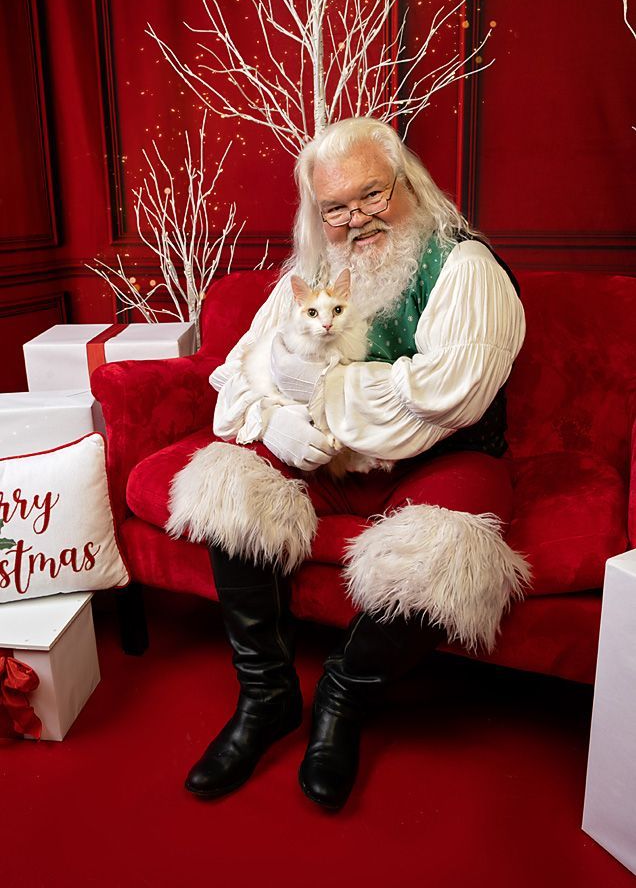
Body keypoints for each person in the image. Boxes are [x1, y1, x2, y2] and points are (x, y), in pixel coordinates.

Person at [166, 117, 529, 811]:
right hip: (334, 462)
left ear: (407, 184)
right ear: (317, 213)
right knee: (228, 485)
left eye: (371, 195)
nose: (357, 219)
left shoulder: (465, 267)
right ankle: (267, 697)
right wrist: (272, 419)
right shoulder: (309, 277)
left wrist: (321, 395)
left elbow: (446, 396)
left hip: (441, 458)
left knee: (448, 555)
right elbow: (240, 370)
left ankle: (342, 697)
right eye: (335, 207)